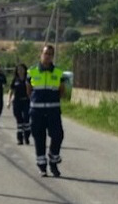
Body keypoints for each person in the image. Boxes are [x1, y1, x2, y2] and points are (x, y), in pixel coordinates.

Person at [27, 45, 68, 177]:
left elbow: (62, 91)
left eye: (50, 54)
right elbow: (29, 90)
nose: (48, 56)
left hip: (53, 111)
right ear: (41, 54)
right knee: (39, 139)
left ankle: (53, 160)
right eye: (46, 53)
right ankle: (42, 166)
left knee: (58, 136)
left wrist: (53, 101)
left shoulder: (58, 72)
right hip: (37, 112)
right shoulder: (32, 71)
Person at [7, 63, 31, 145]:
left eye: (22, 69)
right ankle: (20, 139)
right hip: (17, 101)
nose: (20, 71)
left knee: (26, 119)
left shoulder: (28, 79)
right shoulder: (15, 80)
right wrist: (8, 101)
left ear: (25, 70)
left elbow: (32, 90)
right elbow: (11, 90)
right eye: (18, 69)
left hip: (26, 101)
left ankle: (27, 136)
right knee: (19, 120)